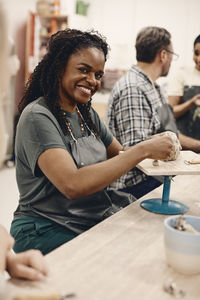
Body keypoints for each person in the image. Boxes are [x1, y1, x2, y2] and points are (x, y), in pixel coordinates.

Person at [10, 28, 175, 255]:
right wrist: (143, 150)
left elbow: (120, 154)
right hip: (46, 228)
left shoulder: (85, 114)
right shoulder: (38, 116)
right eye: (84, 70)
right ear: (59, 67)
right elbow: (72, 185)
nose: (92, 81)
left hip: (86, 219)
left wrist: (149, 146)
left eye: (98, 74)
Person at [106, 26, 200, 199]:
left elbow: (172, 132)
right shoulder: (133, 88)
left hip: (151, 178)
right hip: (132, 185)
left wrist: (196, 146)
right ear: (163, 55)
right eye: (172, 55)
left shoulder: (154, 87)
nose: (172, 60)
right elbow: (135, 153)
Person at [168, 34, 200, 139]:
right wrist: (191, 103)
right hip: (186, 143)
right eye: (196, 53)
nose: (199, 59)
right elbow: (170, 113)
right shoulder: (182, 75)